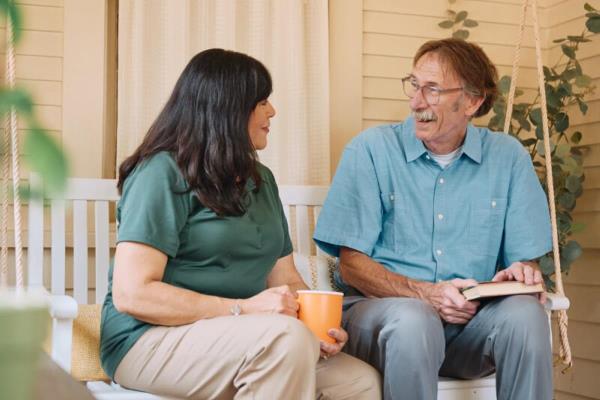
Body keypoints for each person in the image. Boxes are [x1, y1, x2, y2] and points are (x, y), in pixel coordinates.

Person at [100, 48, 381, 400]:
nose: (272, 111)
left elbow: (286, 279)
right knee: (285, 341)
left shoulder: (261, 180)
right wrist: (242, 310)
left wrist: (318, 327)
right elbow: (133, 293)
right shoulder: (161, 172)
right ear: (227, 108)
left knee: (359, 382)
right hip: (146, 340)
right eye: (261, 101)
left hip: (245, 337)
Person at [313, 38, 553, 400]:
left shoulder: (507, 158)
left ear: (472, 102)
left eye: (433, 90)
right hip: (385, 324)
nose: (416, 101)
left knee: (526, 314)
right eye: (414, 85)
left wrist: (520, 271)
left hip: (469, 329)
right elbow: (351, 266)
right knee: (415, 319)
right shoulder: (372, 151)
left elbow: (525, 259)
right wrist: (427, 295)